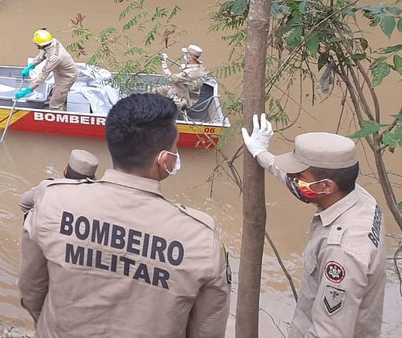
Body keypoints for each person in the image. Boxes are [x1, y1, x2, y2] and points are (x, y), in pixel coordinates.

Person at [19, 93, 230, 338]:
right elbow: (207, 329)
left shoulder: (54, 200)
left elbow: (31, 289)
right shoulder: (201, 239)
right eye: (174, 149)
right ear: (164, 160)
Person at [242, 115, 386, 338]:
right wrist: (261, 154)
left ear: (327, 186)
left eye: (299, 175)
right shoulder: (360, 198)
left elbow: (329, 332)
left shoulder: (343, 252)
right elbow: (296, 182)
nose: (293, 179)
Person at [19, 149, 99, 216]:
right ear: (93, 179)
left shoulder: (47, 187)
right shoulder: (98, 200)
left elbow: (23, 203)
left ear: (65, 171)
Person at [19, 29, 79, 110]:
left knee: (55, 104)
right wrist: (32, 65)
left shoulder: (55, 57)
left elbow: (42, 76)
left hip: (67, 77)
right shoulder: (52, 41)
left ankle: (56, 117)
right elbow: (43, 53)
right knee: (55, 93)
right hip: (60, 73)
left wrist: (29, 89)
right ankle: (61, 99)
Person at [157, 44, 208, 111]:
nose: (184, 55)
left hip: (182, 98)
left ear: (191, 57)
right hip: (177, 89)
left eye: (186, 53)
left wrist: (163, 62)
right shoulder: (200, 68)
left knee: (167, 110)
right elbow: (193, 71)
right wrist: (186, 66)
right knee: (154, 91)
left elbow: (170, 78)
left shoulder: (188, 74)